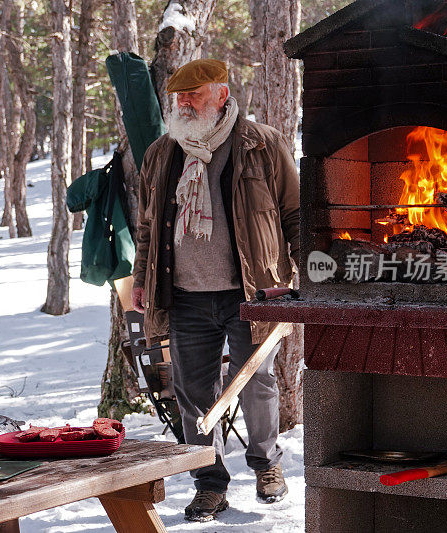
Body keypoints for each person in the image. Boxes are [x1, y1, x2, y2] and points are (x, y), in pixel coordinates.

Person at [132, 59, 299, 522]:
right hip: (185, 294)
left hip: (253, 290)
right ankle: (208, 482)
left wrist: (306, 268)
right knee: (192, 392)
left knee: (257, 383)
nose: (185, 103)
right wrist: (143, 278)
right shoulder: (162, 153)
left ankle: (267, 466)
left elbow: (294, 212)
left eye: (195, 95)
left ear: (221, 95)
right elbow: (147, 227)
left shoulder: (261, 144)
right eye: (180, 97)